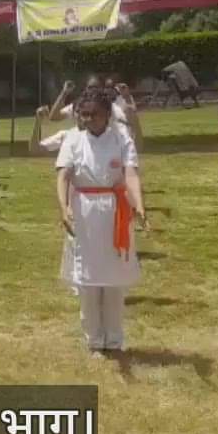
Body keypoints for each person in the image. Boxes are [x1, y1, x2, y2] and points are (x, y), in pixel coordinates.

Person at [56, 91, 147, 355]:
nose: (88, 119)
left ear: (107, 114)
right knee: (88, 280)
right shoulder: (73, 139)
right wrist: (64, 207)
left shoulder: (121, 138)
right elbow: (63, 175)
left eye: (94, 113)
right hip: (84, 211)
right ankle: (94, 340)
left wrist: (138, 203)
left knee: (115, 279)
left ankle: (115, 340)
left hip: (116, 211)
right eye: (83, 114)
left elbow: (130, 173)